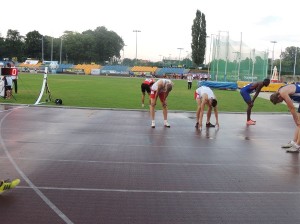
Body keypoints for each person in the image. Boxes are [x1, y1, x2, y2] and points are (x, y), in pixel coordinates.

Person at [270, 83, 300, 152]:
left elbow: (292, 108)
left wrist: (296, 121)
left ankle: (297, 146)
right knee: (299, 123)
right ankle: (294, 142)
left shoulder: (283, 93)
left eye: (279, 101)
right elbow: (291, 108)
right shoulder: (280, 90)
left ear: (279, 97)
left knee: (299, 123)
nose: (281, 102)